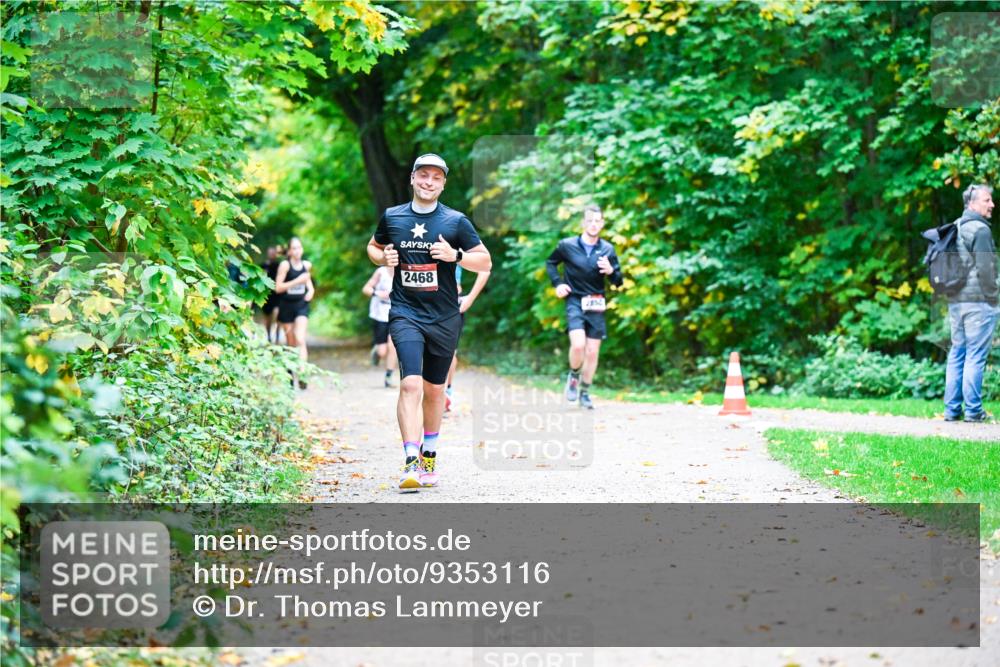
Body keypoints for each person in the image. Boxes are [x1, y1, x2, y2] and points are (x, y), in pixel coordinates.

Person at [366, 153, 492, 491]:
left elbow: (485, 261)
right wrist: (384, 257)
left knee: (435, 390)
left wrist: (457, 256)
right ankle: (410, 460)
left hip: (444, 316)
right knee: (411, 384)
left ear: (443, 183)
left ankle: (430, 454)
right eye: (423, 175)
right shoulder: (393, 216)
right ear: (412, 178)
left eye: (436, 177)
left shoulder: (455, 222)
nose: (429, 182)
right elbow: (374, 248)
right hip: (405, 312)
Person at [546, 204, 623, 410]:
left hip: (596, 302)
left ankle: (585, 392)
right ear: (583, 223)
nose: (594, 224)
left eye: (598, 221)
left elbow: (619, 281)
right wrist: (558, 284)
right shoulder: (567, 245)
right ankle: (573, 375)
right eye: (590, 221)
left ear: (603, 224)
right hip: (575, 300)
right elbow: (551, 263)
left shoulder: (607, 249)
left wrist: (610, 271)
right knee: (578, 345)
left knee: (592, 351)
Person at [944, 183, 997, 423]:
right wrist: (995, 298)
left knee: (957, 353)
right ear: (972, 203)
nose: (992, 205)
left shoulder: (955, 226)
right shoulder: (981, 230)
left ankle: (952, 410)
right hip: (978, 303)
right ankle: (973, 411)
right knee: (975, 355)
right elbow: (986, 271)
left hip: (956, 301)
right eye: (987, 200)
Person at [444, 264, 490, 412]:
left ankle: (447, 392)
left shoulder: (455, 247)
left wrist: (470, 298)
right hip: (426, 304)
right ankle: (434, 392)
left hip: (452, 303)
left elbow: (483, 268)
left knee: (450, 352)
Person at [275, 237, 314, 389]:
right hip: (286, 306)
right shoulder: (285, 265)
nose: (297, 251)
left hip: (301, 305)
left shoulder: (306, 265)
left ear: (302, 249)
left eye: (299, 248)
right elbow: (278, 288)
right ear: (290, 251)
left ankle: (303, 373)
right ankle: (290, 373)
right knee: (291, 343)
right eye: (294, 248)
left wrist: (310, 291)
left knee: (300, 338)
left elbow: (309, 285)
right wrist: (297, 281)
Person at [362, 265, 398, 387]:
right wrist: (378, 293)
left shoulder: (404, 270)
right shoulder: (381, 272)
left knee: (393, 344)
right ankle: (377, 352)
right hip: (380, 314)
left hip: (397, 313)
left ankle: (388, 376)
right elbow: (366, 288)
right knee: (382, 351)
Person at [261, 246, 282, 343]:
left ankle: (277, 337)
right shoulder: (262, 266)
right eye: (270, 253)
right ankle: (269, 336)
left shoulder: (279, 266)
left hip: (277, 294)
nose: (272, 255)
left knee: (277, 314)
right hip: (266, 294)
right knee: (267, 317)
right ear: (267, 254)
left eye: (273, 253)